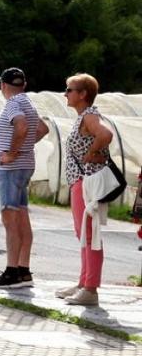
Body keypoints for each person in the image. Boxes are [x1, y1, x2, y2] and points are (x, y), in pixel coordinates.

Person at [0, 67, 49, 288]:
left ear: (3, 85)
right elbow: (42, 129)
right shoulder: (28, 102)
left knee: (9, 218)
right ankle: (23, 270)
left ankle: (11, 271)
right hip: (24, 166)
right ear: (24, 85)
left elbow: (21, 126)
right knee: (22, 217)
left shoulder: (13, 104)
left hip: (10, 169)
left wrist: (12, 153)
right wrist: (24, 149)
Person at [59, 73, 115, 306]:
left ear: (83, 94)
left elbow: (106, 134)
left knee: (90, 234)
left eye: (70, 89)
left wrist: (91, 153)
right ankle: (83, 283)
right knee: (83, 233)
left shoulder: (90, 115)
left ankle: (90, 288)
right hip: (81, 182)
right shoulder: (83, 116)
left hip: (87, 182)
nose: (66, 94)